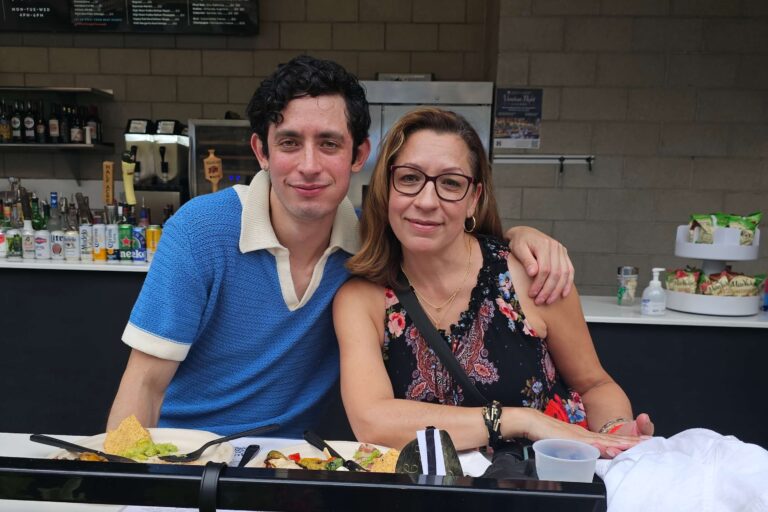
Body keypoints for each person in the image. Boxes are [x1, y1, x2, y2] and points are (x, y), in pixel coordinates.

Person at [107, 56, 576, 437]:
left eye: (329, 144)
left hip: (291, 468)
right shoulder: (200, 232)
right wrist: (129, 486)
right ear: (261, 151)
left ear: (358, 155)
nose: (309, 165)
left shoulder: (371, 246)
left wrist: (520, 238)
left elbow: (451, 229)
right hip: (186, 456)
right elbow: (144, 385)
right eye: (290, 143)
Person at [334, 107, 654, 456]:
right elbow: (373, 421)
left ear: (474, 199)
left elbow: (594, 385)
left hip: (542, 479)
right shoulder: (362, 299)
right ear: (386, 189)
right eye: (409, 178)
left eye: (450, 183)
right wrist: (521, 420)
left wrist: (614, 432)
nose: (426, 201)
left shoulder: (532, 275)